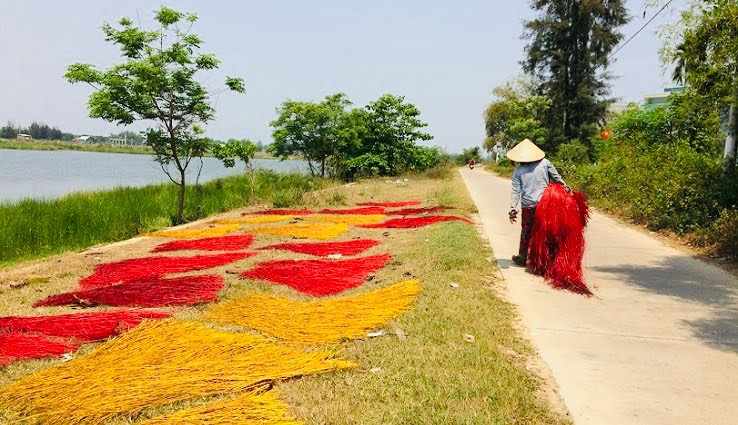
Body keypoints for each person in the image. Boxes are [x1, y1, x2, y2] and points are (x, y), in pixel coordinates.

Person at [507, 139, 571, 266]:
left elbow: (516, 191)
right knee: (547, 230)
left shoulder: (518, 171)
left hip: (528, 206)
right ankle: (549, 258)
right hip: (546, 204)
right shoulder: (545, 163)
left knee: (526, 231)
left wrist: (513, 209)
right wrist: (566, 188)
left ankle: (523, 257)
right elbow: (556, 178)